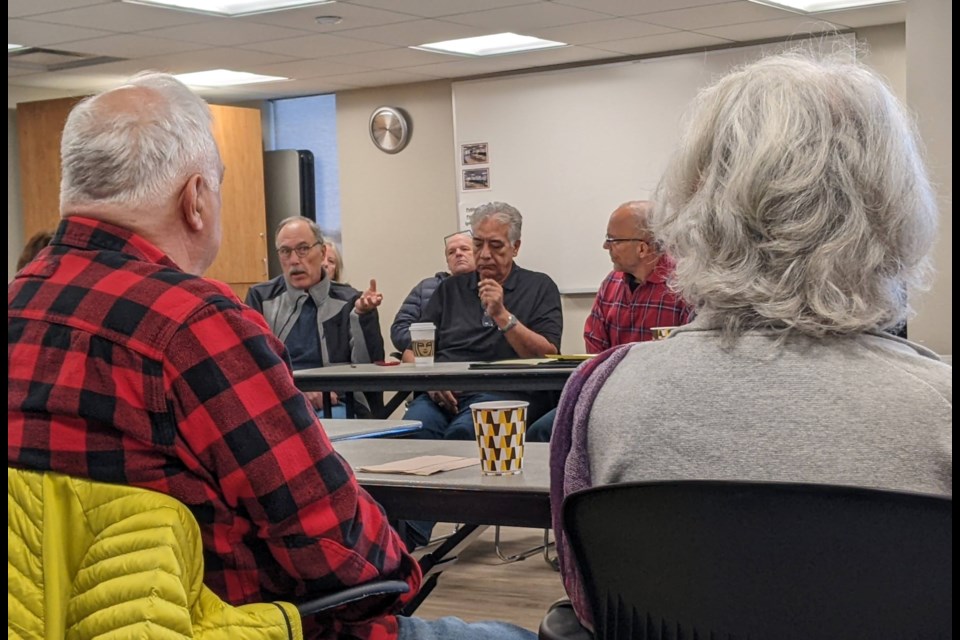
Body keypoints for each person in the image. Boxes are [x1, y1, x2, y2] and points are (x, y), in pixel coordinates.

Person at [8, 72, 536, 640]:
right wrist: (398, 576)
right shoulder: (193, 324)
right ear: (195, 200)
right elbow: (324, 533)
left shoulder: (19, 306)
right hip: (240, 621)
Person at [550, 50, 952, 631]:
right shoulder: (939, 407)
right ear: (891, 208)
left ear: (691, 207)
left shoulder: (600, 395)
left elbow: (590, 607)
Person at [526, 200, 692, 442]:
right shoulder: (611, 283)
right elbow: (595, 344)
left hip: (661, 398)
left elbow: (685, 356)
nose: (605, 246)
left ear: (642, 248)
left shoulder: (683, 286)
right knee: (540, 433)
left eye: (613, 240)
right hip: (609, 392)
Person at [401, 202, 562, 440]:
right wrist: (430, 380)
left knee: (463, 435)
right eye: (478, 244)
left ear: (515, 247)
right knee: (412, 433)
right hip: (444, 393)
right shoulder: (449, 289)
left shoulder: (539, 287)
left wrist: (502, 315)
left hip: (504, 392)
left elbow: (548, 356)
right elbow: (411, 353)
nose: (485, 254)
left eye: (496, 246)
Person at [246, 217, 384, 418]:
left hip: (338, 403)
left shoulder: (349, 301)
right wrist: (297, 391)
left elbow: (369, 371)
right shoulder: (261, 298)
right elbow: (252, 364)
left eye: (303, 249)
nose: (294, 260)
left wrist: (362, 317)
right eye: (285, 251)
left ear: (322, 253)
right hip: (279, 401)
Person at [390, 230, 476, 353]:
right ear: (447, 262)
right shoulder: (426, 288)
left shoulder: (488, 287)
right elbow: (399, 331)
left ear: (478, 255)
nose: (458, 254)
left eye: (465, 249)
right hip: (433, 361)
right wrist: (433, 343)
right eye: (451, 252)